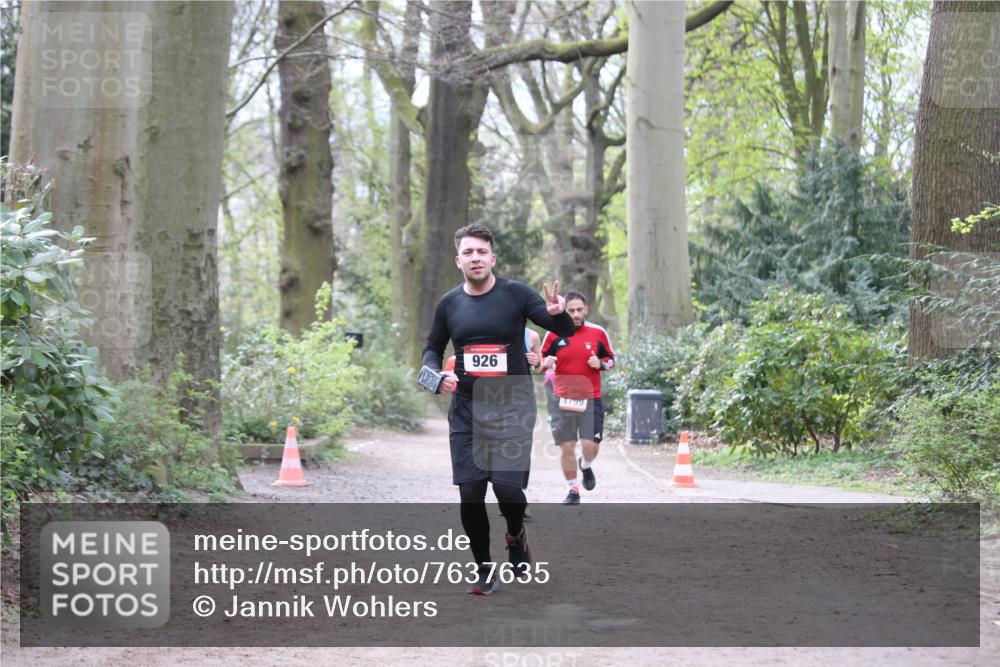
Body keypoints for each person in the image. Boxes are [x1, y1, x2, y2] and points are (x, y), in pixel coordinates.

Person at [423, 223, 574, 595]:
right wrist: (433, 378)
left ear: (492, 258)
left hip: (512, 408)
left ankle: (515, 532)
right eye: (468, 252)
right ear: (459, 260)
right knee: (471, 492)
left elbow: (561, 326)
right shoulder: (449, 304)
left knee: (507, 490)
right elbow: (430, 350)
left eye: (482, 252)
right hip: (467, 409)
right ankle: (483, 568)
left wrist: (559, 315)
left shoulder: (516, 294)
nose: (476, 258)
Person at [540, 292, 616, 505]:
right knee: (567, 447)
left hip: (591, 398)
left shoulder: (598, 332)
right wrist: (545, 361)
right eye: (571, 310)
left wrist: (600, 364)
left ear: (586, 310)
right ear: (565, 311)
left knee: (590, 446)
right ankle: (573, 488)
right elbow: (539, 358)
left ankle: (586, 465)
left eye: (578, 310)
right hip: (562, 398)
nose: (575, 314)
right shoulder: (554, 333)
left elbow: (612, 359)